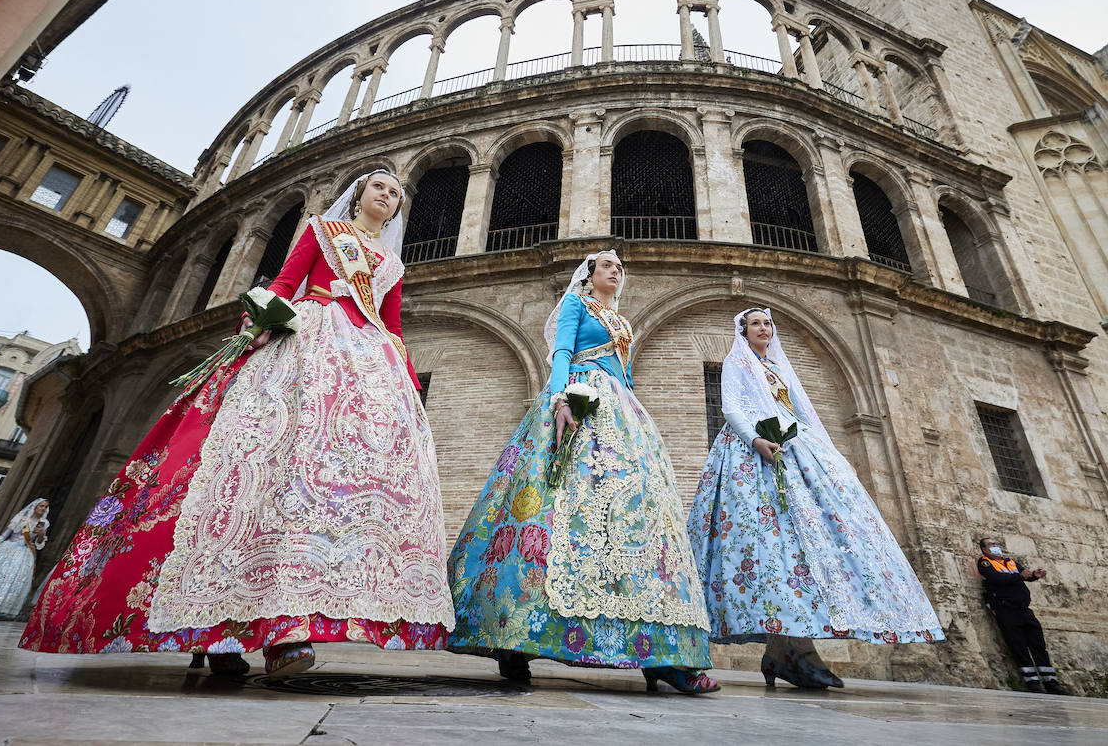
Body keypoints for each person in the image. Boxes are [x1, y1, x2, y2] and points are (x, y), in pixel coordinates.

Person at [20, 169, 454, 678]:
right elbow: (286, 284)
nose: (388, 195)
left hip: (368, 365)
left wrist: (405, 382)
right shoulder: (320, 230)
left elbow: (393, 326)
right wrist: (259, 326)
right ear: (357, 193)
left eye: (396, 193)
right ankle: (220, 632)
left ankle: (286, 624)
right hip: (304, 349)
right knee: (258, 475)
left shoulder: (393, 266)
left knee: (327, 495)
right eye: (380, 186)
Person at [448, 250, 719, 695]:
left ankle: (663, 652)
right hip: (577, 397)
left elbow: (625, 374)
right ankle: (514, 639)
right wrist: (560, 399)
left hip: (621, 412)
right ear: (590, 275)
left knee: (637, 517)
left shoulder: (621, 321)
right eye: (608, 266)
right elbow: (561, 353)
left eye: (621, 268)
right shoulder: (576, 303)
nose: (617, 271)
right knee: (548, 509)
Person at [688, 308, 943, 690]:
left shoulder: (777, 368)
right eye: (756, 323)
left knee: (800, 550)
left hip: (796, 450)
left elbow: (802, 412)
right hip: (752, 454)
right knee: (774, 548)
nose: (764, 328)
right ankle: (791, 653)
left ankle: (788, 652)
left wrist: (832, 458)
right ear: (743, 331)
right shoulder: (735, 361)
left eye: (768, 323)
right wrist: (756, 441)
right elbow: (732, 407)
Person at [977, 537, 1071, 694]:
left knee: (1038, 644)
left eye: (996, 544)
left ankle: (1051, 682)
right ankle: (1032, 682)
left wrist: (1034, 575)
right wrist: (1021, 576)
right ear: (984, 550)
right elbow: (998, 579)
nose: (995, 547)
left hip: (1024, 609)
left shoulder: (1010, 562)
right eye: (990, 545)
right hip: (1006, 610)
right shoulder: (985, 563)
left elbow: (1024, 574)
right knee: (1018, 645)